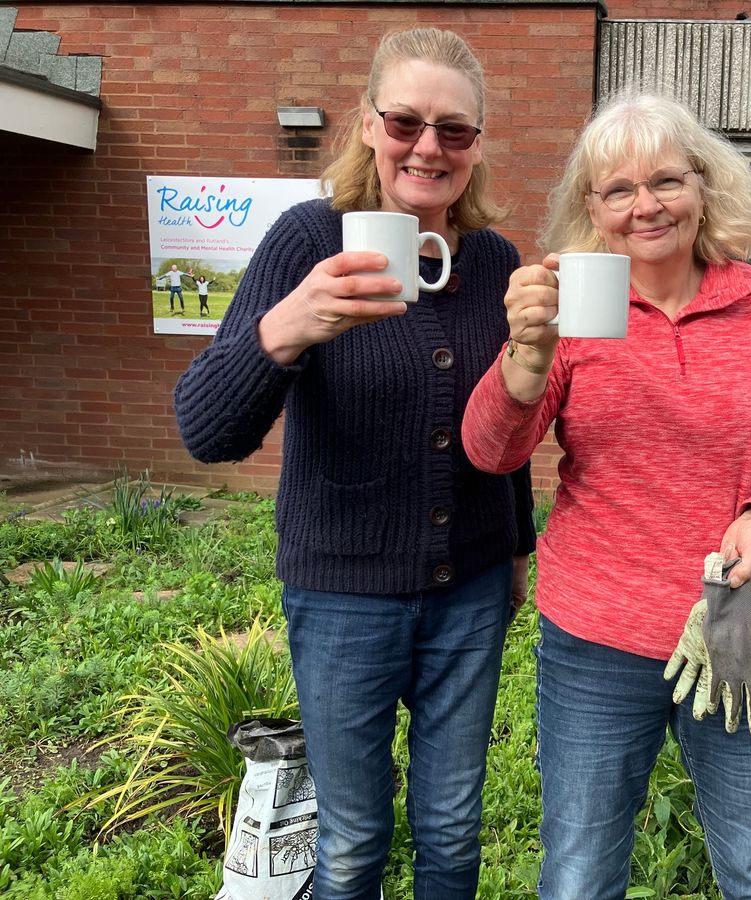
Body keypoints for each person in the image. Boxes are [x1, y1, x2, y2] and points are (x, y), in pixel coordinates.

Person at [174, 28, 535, 900]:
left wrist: (516, 552)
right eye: (406, 120)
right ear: (368, 126)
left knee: (452, 826)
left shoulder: (493, 261)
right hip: (342, 597)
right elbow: (205, 428)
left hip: (472, 589)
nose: (428, 146)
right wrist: (287, 327)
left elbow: (506, 422)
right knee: (352, 839)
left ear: (476, 147)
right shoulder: (307, 241)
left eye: (455, 130)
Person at [462, 91, 751, 899]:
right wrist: (527, 358)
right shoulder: (578, 308)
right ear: (592, 210)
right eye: (618, 190)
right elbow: (492, 451)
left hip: (737, 625)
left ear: (705, 186)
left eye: (666, 181)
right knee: (579, 877)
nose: (647, 206)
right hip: (597, 638)